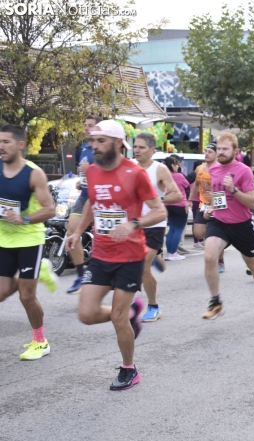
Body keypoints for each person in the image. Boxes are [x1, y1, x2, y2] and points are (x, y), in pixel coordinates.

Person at [68, 120, 166, 390]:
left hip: (130, 256)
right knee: (86, 314)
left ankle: (129, 369)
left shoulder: (135, 173)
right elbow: (91, 202)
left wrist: (133, 224)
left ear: (117, 143)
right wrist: (77, 231)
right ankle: (135, 311)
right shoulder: (94, 171)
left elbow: (160, 211)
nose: (94, 146)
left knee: (117, 317)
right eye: (92, 141)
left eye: (101, 141)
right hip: (100, 255)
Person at [0, 124, 57, 360]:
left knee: (26, 296)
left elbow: (49, 209)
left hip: (29, 239)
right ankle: (38, 273)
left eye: (6, 142)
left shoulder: (34, 173)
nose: (1, 147)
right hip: (4, 238)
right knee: (2, 293)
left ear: (20, 145)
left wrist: (23, 218)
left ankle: (40, 341)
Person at [201, 132, 254, 319]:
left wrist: (234, 189)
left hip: (242, 225)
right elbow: (217, 195)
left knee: (252, 264)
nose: (220, 152)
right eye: (219, 149)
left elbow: (252, 203)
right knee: (208, 256)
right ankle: (216, 302)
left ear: (235, 151)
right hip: (219, 222)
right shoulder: (213, 170)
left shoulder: (244, 171)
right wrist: (211, 209)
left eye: (225, 149)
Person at [133, 133, 182, 323]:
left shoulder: (160, 169)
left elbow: (177, 195)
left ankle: (153, 306)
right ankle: (157, 256)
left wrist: (156, 200)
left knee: (142, 266)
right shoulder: (130, 167)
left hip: (155, 222)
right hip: (134, 223)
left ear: (152, 150)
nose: (137, 150)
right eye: (135, 147)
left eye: (142, 147)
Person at [66, 114, 101, 294]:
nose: (87, 128)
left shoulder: (102, 148)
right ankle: (81, 274)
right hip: (85, 196)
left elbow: (105, 173)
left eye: (91, 125)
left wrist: (90, 171)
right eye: (85, 125)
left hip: (102, 197)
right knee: (71, 230)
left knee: (105, 239)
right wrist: (83, 180)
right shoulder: (84, 148)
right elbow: (87, 174)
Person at [189, 145, 227, 272]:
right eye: (206, 151)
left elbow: (225, 189)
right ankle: (215, 238)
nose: (207, 154)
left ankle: (220, 260)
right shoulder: (200, 168)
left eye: (210, 152)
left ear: (216, 154)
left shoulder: (221, 169)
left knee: (216, 234)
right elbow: (196, 185)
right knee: (198, 233)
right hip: (203, 204)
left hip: (217, 206)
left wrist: (215, 198)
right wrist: (189, 200)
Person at [163, 156, 191, 260]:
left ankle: (169, 253)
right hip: (180, 205)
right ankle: (173, 253)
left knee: (171, 229)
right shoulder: (179, 176)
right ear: (172, 165)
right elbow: (187, 186)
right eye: (176, 164)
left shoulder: (164, 176)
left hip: (168, 205)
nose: (178, 166)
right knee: (179, 229)